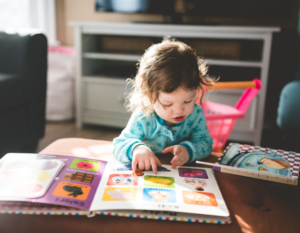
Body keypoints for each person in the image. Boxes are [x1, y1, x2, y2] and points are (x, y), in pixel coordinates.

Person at [113, 38, 214, 174]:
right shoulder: (143, 116)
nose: (179, 110)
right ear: (149, 96)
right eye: (168, 104)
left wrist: (188, 150)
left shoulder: (195, 114)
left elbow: (206, 144)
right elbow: (119, 145)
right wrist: (137, 148)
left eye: (188, 101)